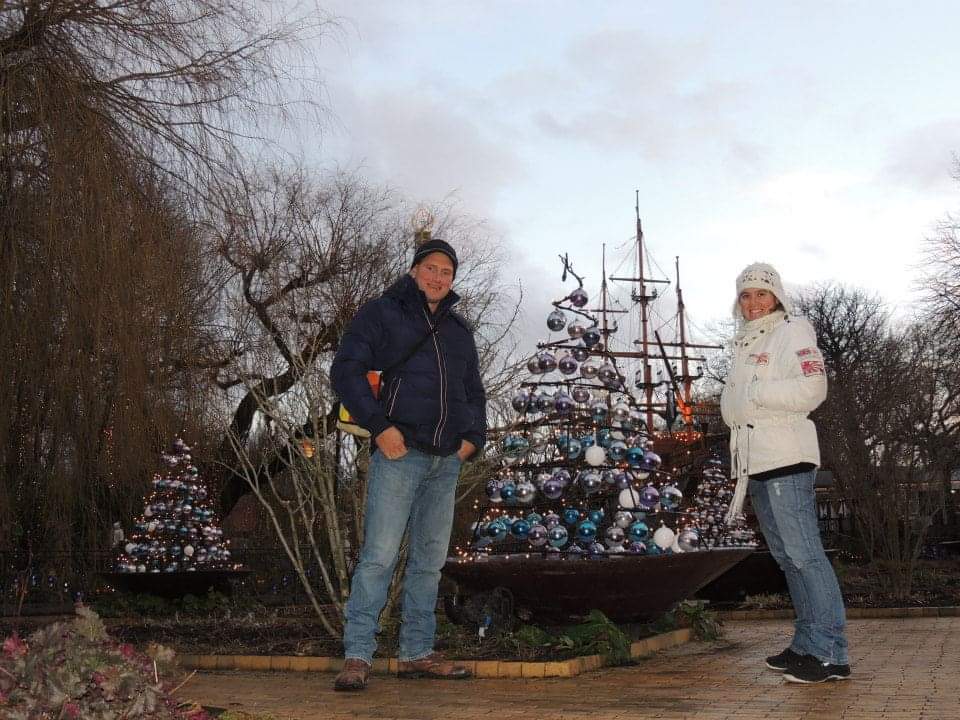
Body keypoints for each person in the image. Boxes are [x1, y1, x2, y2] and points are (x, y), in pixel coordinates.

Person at [330, 238, 486, 691]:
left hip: (446, 461)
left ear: (452, 280)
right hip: (399, 454)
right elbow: (345, 371)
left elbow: (474, 392)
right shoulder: (382, 313)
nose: (438, 277)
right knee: (378, 558)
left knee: (429, 564)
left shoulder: (459, 331)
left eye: (446, 272)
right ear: (415, 270)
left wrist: (472, 440)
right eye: (431, 268)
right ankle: (358, 655)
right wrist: (380, 426)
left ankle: (417, 652)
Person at [721, 262, 851, 684]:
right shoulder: (746, 342)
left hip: (786, 458)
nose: (753, 302)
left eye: (761, 293)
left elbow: (813, 388)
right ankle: (806, 644)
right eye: (745, 295)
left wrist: (755, 392)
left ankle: (830, 653)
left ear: (776, 296)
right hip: (756, 462)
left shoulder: (792, 331)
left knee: (805, 556)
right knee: (787, 560)